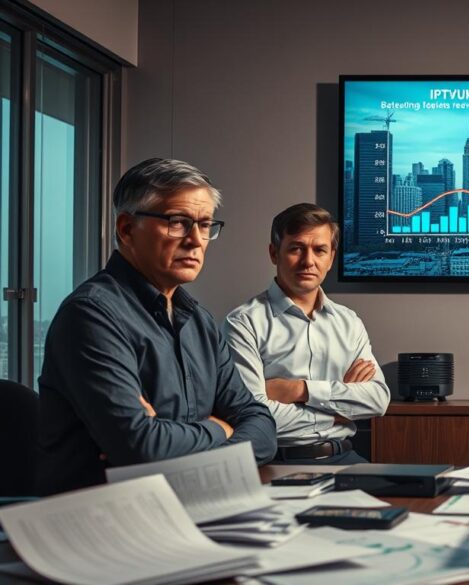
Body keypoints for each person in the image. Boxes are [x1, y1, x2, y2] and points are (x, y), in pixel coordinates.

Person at [37, 158, 277, 495]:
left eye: (205, 224)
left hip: (194, 500)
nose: (196, 240)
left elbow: (262, 427)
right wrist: (219, 428)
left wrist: (175, 438)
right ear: (126, 229)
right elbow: (141, 447)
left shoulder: (200, 322)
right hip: (108, 516)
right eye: (177, 222)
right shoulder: (91, 315)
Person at [224, 203, 390, 464]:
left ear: (331, 257)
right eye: (296, 248)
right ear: (273, 253)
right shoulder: (244, 323)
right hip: (275, 463)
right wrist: (340, 412)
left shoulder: (348, 322)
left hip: (345, 458)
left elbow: (377, 400)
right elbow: (253, 415)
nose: (308, 261)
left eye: (319, 250)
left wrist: (299, 390)